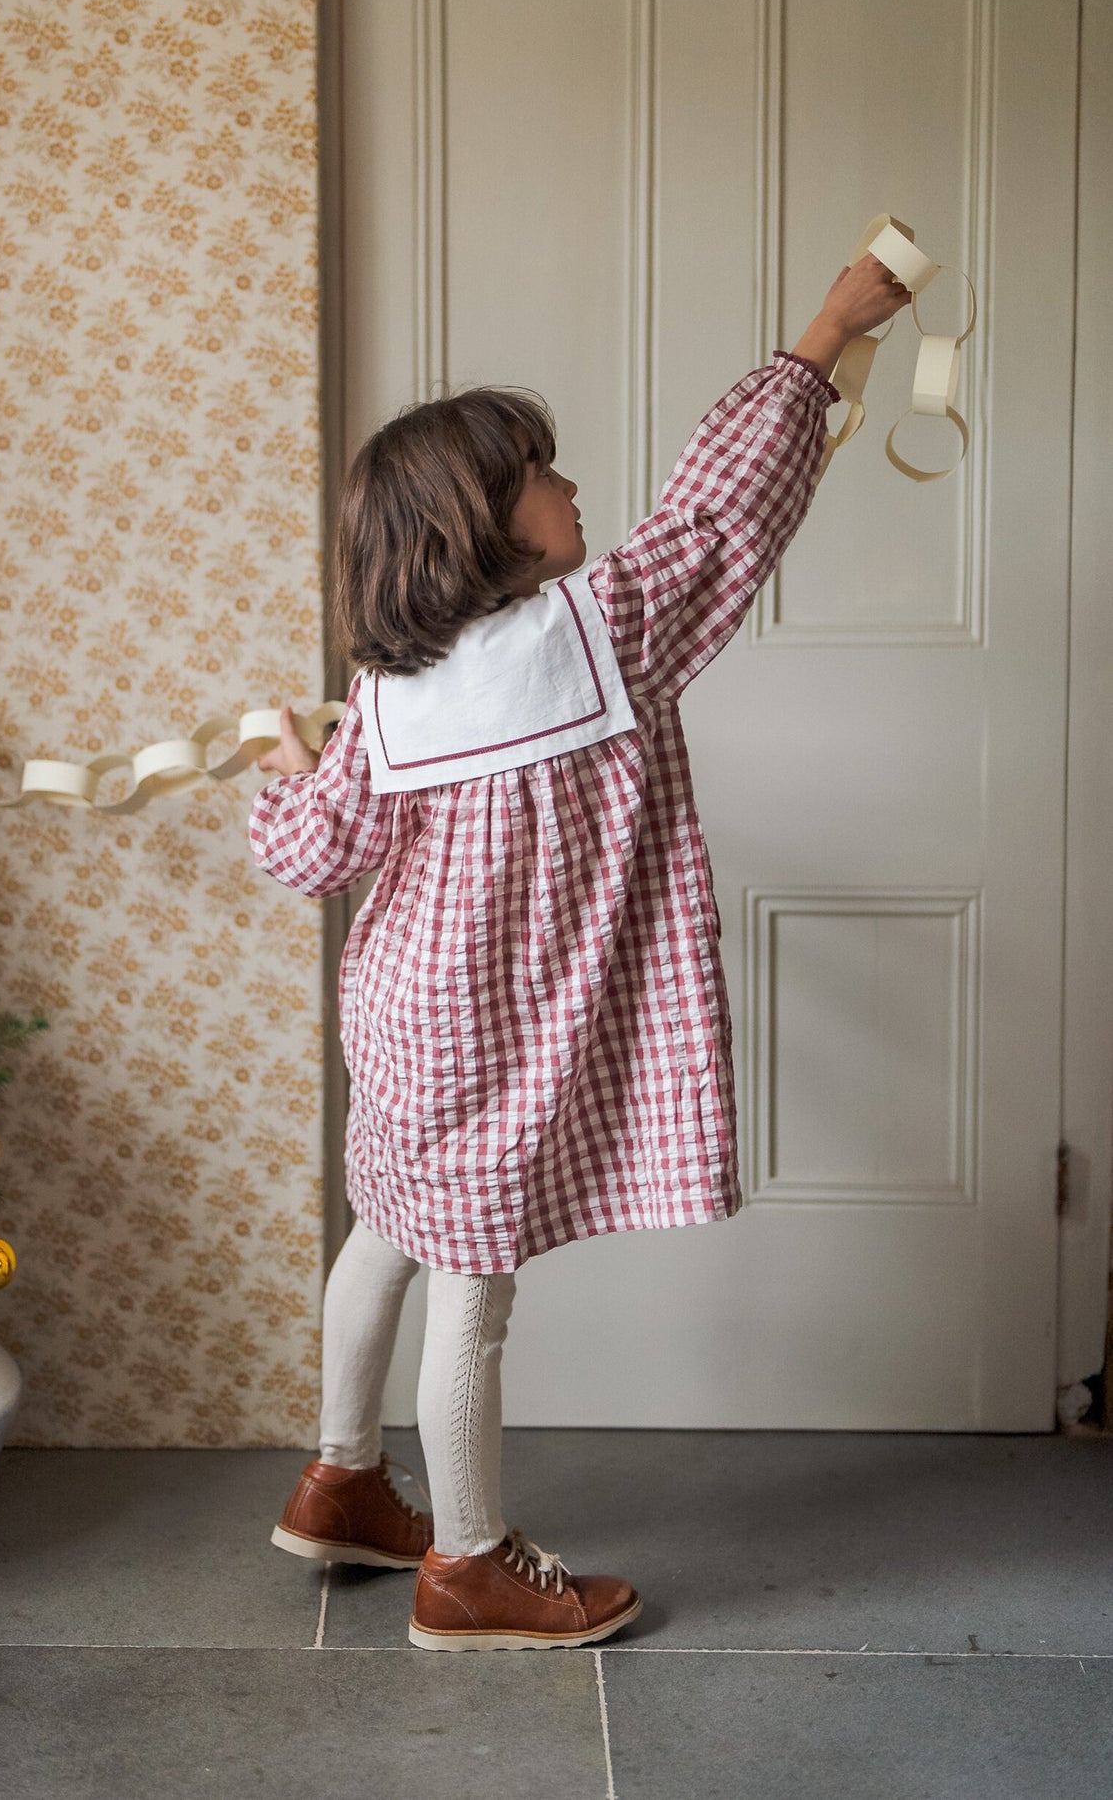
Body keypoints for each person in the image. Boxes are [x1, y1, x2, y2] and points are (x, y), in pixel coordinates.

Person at [247, 255, 911, 1651]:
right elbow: (720, 511)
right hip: (502, 1034)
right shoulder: (599, 631)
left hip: (403, 1020)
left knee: (385, 1231)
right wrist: (826, 333)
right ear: (483, 530)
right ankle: (466, 1566)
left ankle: (342, 1481)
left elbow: (309, 857)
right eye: (540, 475)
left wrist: (285, 765)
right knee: (471, 1303)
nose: (569, 491)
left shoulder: (390, 692)